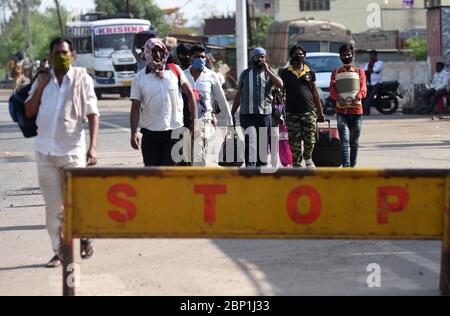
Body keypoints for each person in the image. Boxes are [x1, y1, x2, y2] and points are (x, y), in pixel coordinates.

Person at [24, 37, 99, 268]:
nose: (61, 56)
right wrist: (42, 85)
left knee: (76, 201)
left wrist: (92, 147)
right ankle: (60, 251)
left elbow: (92, 114)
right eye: (56, 52)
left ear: (72, 55)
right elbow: (29, 111)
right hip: (45, 153)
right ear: (50, 55)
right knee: (52, 210)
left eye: (64, 52)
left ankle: (84, 235)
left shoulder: (81, 79)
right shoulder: (42, 80)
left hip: (72, 152)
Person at [130, 38, 197, 167]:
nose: (158, 55)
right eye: (154, 52)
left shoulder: (175, 71)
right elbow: (135, 108)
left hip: (175, 132)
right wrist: (133, 133)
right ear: (148, 53)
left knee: (171, 173)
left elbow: (190, 95)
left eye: (160, 51)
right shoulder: (139, 78)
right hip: (150, 134)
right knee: (153, 175)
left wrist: (195, 121)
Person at [231, 47, 284, 167]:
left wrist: (268, 71)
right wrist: (232, 112)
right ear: (252, 59)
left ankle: (262, 168)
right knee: (251, 141)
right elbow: (239, 94)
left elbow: (280, 84)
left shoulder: (269, 72)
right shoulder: (245, 74)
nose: (260, 59)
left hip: (264, 115)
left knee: (262, 144)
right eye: (257, 57)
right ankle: (250, 168)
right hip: (247, 115)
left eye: (262, 57)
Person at [184, 45, 233, 166]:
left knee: (198, 157)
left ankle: (199, 180)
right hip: (185, 122)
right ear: (190, 58)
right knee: (186, 159)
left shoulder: (211, 76)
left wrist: (230, 123)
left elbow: (221, 100)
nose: (201, 60)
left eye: (203, 57)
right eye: (197, 57)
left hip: (204, 121)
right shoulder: (183, 75)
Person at [279, 45, 325, 169]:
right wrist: (278, 113)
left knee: (310, 139)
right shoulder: (285, 73)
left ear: (304, 56)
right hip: (291, 113)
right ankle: (296, 165)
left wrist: (320, 113)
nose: (298, 56)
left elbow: (315, 93)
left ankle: (308, 158)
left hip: (309, 112)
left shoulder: (310, 73)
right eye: (296, 54)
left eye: (301, 54)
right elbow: (280, 93)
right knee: (295, 142)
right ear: (291, 56)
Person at [330, 44, 367, 168]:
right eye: (344, 55)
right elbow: (332, 90)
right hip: (341, 112)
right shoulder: (335, 72)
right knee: (344, 141)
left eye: (348, 54)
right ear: (340, 56)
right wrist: (338, 97)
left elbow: (363, 88)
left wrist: (358, 96)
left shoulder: (359, 71)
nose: (346, 56)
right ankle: (346, 167)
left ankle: (353, 167)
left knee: (354, 142)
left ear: (352, 55)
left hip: (357, 112)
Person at [363, 50, 383, 115]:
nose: (371, 57)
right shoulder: (367, 64)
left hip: (377, 83)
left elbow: (376, 70)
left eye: (372, 55)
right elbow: (364, 71)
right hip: (368, 83)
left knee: (370, 96)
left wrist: (369, 71)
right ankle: (366, 111)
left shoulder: (379, 63)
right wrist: (370, 71)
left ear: (375, 56)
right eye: (370, 56)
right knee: (365, 96)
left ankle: (365, 111)